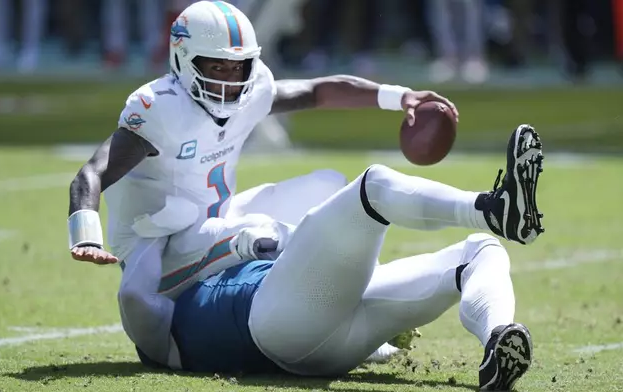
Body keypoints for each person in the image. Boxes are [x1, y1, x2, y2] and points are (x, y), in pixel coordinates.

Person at [66, 0, 458, 371]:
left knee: (329, 184)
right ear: (184, 60)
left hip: (216, 216)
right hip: (159, 242)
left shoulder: (251, 90)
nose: (231, 79)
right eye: (217, 67)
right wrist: (85, 235)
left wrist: (399, 96)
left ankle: (357, 295)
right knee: (253, 241)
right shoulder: (159, 108)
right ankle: (360, 307)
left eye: (238, 67)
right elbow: (91, 174)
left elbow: (318, 90)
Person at [167, 124, 545, 391]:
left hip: (329, 345)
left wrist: (380, 346)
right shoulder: (168, 292)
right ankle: (494, 209)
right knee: (373, 187)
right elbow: (140, 299)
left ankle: (496, 337)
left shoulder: (200, 268)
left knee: (479, 251)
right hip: (277, 321)